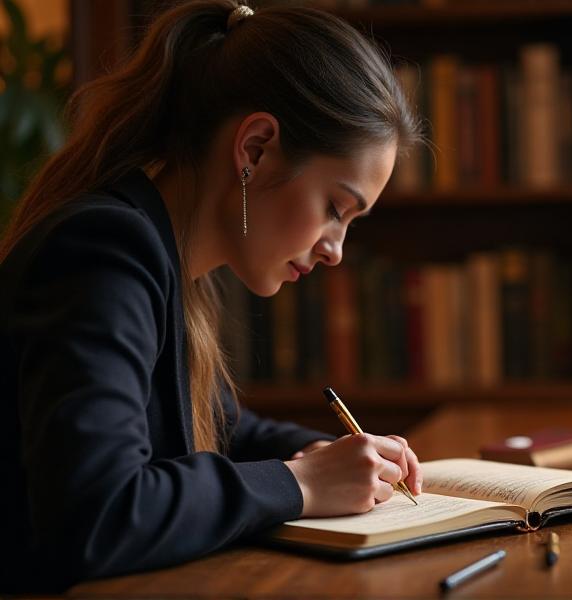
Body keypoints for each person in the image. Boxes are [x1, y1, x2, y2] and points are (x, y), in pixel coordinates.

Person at [0, 0, 424, 593]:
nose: (336, 251)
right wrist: (301, 483)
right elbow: (94, 515)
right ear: (254, 148)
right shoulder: (104, 251)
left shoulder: (166, 258)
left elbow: (219, 425)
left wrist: (320, 452)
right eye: (335, 208)